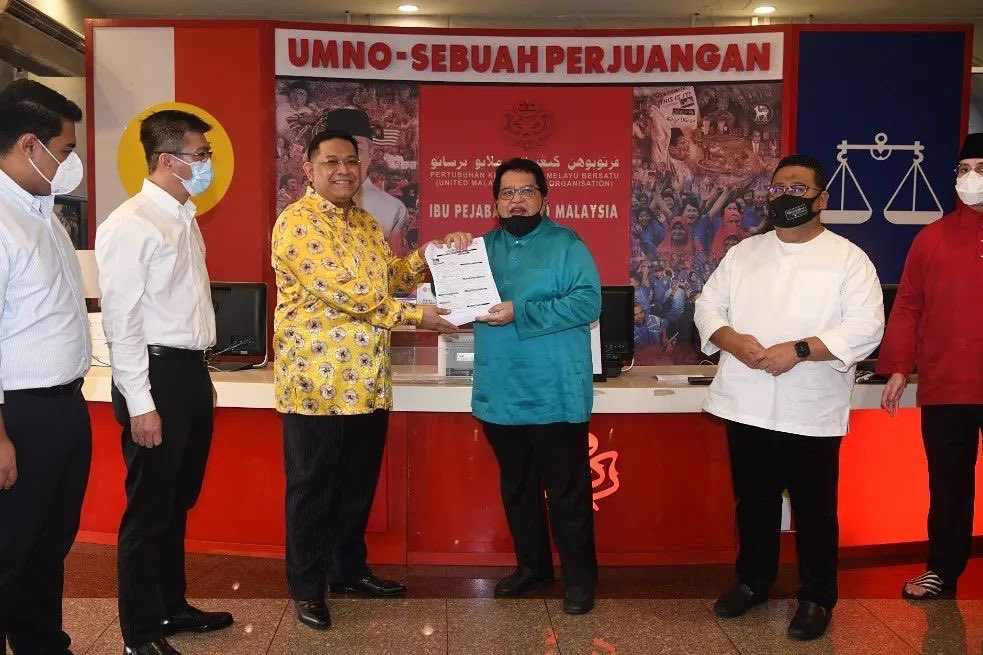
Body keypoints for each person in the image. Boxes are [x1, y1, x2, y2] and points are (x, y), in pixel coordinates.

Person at [272, 129, 469, 630]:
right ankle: (306, 586)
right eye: (331, 161)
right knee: (313, 489)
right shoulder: (297, 222)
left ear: (363, 168)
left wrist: (432, 254)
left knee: (357, 486)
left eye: (351, 161)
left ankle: (348, 571)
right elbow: (354, 295)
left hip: (368, 381)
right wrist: (418, 318)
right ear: (309, 168)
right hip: (319, 386)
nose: (343, 169)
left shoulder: (364, 222)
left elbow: (390, 279)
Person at [694, 155, 884, 641]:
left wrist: (798, 350)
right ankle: (753, 582)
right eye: (778, 188)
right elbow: (708, 306)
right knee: (753, 502)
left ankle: (817, 596)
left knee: (815, 508)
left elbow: (865, 329)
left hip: (810, 408)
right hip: (746, 402)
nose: (786, 197)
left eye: (798, 189)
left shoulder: (848, 258)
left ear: (822, 198)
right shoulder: (745, 253)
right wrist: (734, 341)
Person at [96, 110, 233, 655]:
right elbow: (121, 322)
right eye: (201, 156)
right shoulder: (131, 224)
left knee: (177, 500)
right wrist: (140, 403)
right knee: (148, 507)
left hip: (188, 372)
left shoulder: (183, 215)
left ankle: (171, 606)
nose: (207, 164)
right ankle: (139, 633)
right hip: (153, 376)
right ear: (168, 161)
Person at [472, 158, 601, 615]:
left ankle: (581, 582)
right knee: (518, 488)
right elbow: (454, 300)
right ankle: (533, 568)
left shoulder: (567, 244)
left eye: (527, 191)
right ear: (495, 202)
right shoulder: (479, 248)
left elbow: (588, 303)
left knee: (567, 492)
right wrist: (447, 256)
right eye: (507, 192)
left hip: (555, 393)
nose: (517, 199)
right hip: (500, 393)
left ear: (545, 198)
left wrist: (520, 311)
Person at [0, 79, 91, 655]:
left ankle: (41, 645)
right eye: (65, 148)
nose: (71, 161)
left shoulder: (40, 211)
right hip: (21, 413)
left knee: (49, 542)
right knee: (9, 548)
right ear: (30, 144)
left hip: (62, 405)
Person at [877, 132, 983, 600]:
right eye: (963, 170)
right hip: (946, 387)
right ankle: (942, 569)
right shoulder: (931, 238)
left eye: (979, 168)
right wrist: (899, 366)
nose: (970, 178)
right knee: (949, 488)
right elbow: (907, 307)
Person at [321, 108, 410, 253]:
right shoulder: (303, 211)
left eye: (356, 150)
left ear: (371, 152)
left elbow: (396, 268)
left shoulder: (393, 209)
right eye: (337, 150)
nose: (346, 161)